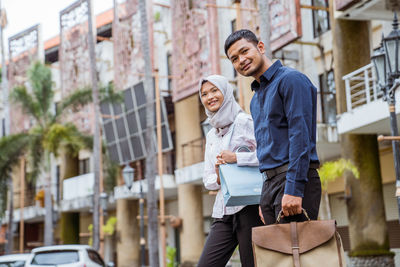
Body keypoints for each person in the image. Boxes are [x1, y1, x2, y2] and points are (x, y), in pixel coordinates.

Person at [224, 29, 321, 225]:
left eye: (244, 52)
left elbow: (300, 136)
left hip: (293, 180)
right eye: (234, 59)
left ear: (260, 47)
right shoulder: (256, 99)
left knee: (297, 253)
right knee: (277, 255)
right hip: (270, 186)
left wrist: (293, 189)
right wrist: (265, 196)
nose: (241, 60)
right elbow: (265, 150)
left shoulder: (290, 80)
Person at [197, 74, 263, 267]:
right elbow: (207, 178)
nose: (209, 97)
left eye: (214, 90)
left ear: (225, 91)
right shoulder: (211, 134)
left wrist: (237, 158)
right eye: (204, 94)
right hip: (223, 210)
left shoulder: (244, 122)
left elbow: (267, 155)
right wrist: (218, 176)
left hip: (250, 206)